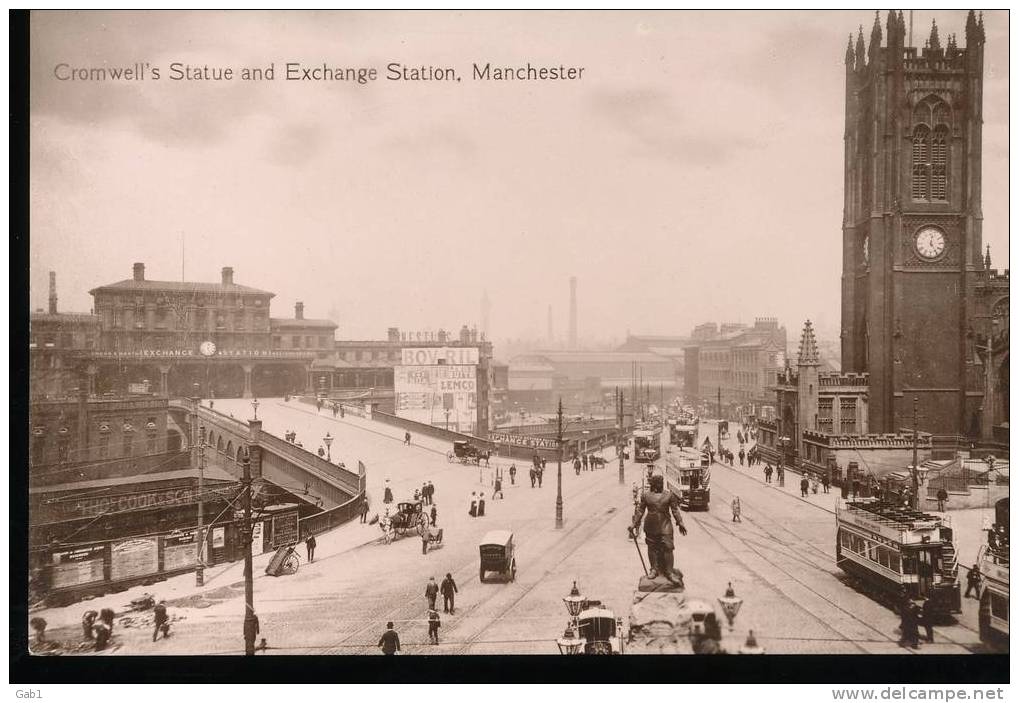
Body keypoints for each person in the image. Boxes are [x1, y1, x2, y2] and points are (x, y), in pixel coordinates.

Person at [629, 474, 687, 585]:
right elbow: (640, 511)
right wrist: (634, 524)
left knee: (668, 547)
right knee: (652, 548)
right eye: (658, 483)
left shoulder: (669, 495)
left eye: (661, 483)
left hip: (666, 525)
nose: (660, 485)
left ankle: (669, 572)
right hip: (651, 526)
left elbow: (675, 510)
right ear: (654, 484)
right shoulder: (646, 496)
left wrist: (680, 522)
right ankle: (654, 569)